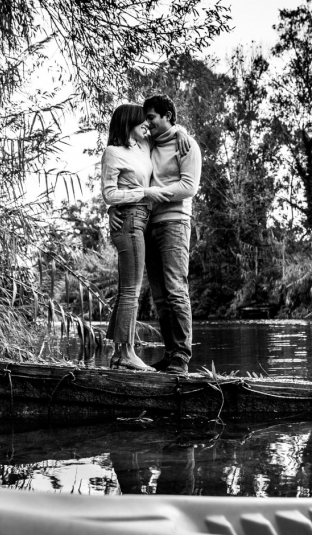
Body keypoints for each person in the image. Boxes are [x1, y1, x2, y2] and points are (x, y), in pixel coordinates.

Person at [100, 103, 172, 372]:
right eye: (142, 121)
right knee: (131, 291)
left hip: (141, 219)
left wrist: (181, 135)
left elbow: (168, 130)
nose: (146, 125)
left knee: (127, 291)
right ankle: (127, 353)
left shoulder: (143, 146)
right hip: (128, 220)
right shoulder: (113, 152)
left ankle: (120, 354)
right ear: (128, 122)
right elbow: (109, 194)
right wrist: (143, 193)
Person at [141, 94, 201, 375]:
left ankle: (181, 357)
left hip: (175, 223)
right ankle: (170, 354)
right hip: (148, 225)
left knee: (176, 290)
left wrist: (153, 194)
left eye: (151, 117)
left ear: (167, 116)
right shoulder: (149, 144)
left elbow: (188, 187)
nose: (147, 123)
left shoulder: (187, 145)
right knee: (160, 296)